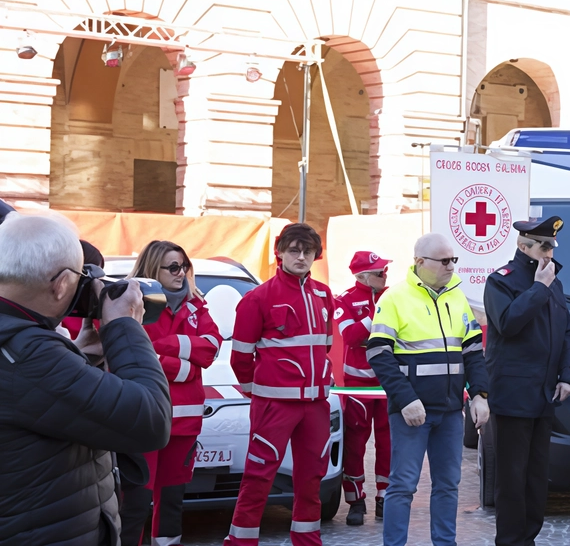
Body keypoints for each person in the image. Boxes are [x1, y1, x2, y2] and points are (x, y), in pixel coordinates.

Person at [0, 214, 171, 545]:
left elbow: (46, 400)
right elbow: (150, 419)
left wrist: (83, 356)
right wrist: (124, 327)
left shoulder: (17, 340)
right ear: (62, 283)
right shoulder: (26, 353)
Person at [367, 233, 490, 546]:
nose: (451, 267)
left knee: (449, 485)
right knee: (403, 486)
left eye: (454, 260)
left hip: (450, 411)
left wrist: (479, 394)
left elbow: (474, 350)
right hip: (412, 411)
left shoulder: (456, 296)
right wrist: (405, 399)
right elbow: (378, 355)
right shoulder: (394, 298)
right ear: (420, 262)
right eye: (444, 261)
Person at [225, 223, 335, 546]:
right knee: (258, 478)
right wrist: (255, 391)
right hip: (274, 406)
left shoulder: (324, 295)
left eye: (308, 251)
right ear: (279, 252)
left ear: (316, 254)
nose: (301, 257)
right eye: (294, 250)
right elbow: (240, 358)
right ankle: (241, 541)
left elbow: (324, 346)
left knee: (311, 479)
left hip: (315, 406)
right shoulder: (257, 298)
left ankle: (307, 540)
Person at [119, 240, 224, 546]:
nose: (181, 273)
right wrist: (184, 366)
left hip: (185, 423)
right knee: (135, 503)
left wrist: (162, 349)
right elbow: (129, 354)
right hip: (143, 420)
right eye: (174, 267)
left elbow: (211, 348)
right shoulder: (129, 303)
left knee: (172, 502)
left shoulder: (197, 305)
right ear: (154, 269)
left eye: (184, 266)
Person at [483, 216, 570, 546]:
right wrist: (538, 288)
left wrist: (568, 375)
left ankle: (529, 537)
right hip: (513, 394)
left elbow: (566, 330)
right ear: (524, 247)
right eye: (544, 246)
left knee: (537, 476)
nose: (550, 252)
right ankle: (510, 541)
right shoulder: (501, 280)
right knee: (512, 476)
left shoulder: (554, 281)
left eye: (552, 246)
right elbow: (508, 323)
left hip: (545, 395)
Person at [334, 250, 393, 524]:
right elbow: (351, 336)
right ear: (364, 276)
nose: (385, 275)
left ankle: (386, 497)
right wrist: (379, 314)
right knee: (355, 442)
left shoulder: (395, 296)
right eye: (380, 272)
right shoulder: (344, 300)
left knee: (389, 440)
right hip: (358, 383)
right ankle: (356, 501)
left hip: (389, 381)